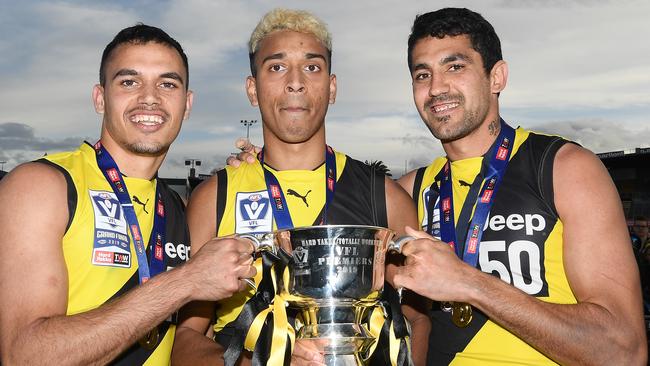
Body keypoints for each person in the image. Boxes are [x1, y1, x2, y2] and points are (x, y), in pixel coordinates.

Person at [171, 8, 430, 366]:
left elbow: (416, 320)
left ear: (332, 86)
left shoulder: (385, 197)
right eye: (276, 67)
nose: (296, 82)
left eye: (312, 67)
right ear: (252, 89)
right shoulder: (212, 199)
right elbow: (186, 340)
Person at [392, 8, 647, 365]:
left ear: (496, 77)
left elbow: (624, 352)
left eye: (455, 66)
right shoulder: (406, 193)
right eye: (422, 74)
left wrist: (469, 283)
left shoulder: (566, 169)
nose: (436, 88)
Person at [0, 24, 256, 365]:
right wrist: (185, 281)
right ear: (100, 97)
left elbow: (191, 340)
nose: (150, 97)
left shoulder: (177, 208)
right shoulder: (41, 185)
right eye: (129, 82)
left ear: (187, 103)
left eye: (167, 83)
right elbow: (25, 356)